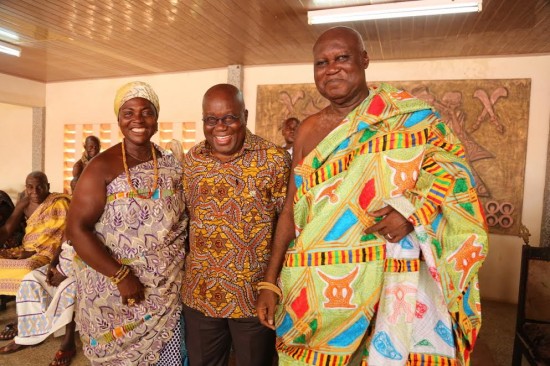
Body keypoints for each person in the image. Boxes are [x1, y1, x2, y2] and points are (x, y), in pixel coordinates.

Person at [256, 27, 488, 366]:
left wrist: (412, 212)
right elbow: (292, 209)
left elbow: (458, 176)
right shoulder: (307, 130)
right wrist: (270, 281)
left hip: (392, 276)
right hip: (316, 282)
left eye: (341, 58)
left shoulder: (410, 117)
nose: (331, 68)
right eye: (321, 62)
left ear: (365, 60)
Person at [66, 81, 187, 365]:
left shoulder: (170, 164)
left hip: (166, 292)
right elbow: (77, 229)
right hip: (115, 293)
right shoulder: (100, 167)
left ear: (156, 118)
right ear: (119, 120)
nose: (138, 120)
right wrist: (121, 276)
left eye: (146, 112)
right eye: (128, 113)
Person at [182, 83, 291, 366]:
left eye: (229, 117)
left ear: (244, 115)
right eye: (211, 119)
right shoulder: (192, 160)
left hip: (253, 297)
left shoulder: (274, 159)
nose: (221, 126)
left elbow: (288, 225)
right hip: (200, 294)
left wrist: (271, 284)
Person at [0, 240, 78, 366]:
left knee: (69, 286)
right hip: (64, 265)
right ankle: (27, 335)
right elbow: (61, 245)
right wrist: (51, 266)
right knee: (31, 278)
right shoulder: (72, 220)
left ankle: (68, 343)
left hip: (84, 267)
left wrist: (67, 273)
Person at [0, 172, 70, 296]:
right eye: (30, 187)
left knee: (28, 268)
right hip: (25, 250)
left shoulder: (60, 202)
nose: (35, 191)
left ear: (48, 186)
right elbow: (6, 230)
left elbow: (64, 235)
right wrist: (26, 252)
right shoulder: (24, 203)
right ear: (26, 188)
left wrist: (35, 252)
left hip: (48, 254)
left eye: (39, 187)